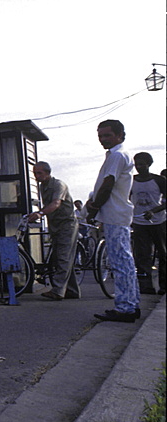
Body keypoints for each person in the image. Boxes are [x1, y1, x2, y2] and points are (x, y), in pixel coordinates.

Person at [85, 119, 140, 322]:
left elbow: (108, 185)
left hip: (115, 214)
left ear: (119, 135)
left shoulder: (117, 155)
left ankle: (125, 308)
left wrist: (94, 206)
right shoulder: (118, 155)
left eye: (107, 135)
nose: (102, 140)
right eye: (100, 136)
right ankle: (132, 304)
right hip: (118, 214)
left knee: (120, 262)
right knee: (125, 261)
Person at [28, 162, 80, 300]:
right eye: (35, 173)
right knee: (61, 258)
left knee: (63, 257)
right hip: (55, 225)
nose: (37, 176)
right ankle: (72, 290)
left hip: (67, 225)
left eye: (39, 173)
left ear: (47, 172)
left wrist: (40, 213)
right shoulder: (42, 186)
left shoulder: (58, 185)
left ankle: (57, 291)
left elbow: (56, 203)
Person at [130, 152, 166, 295]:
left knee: (163, 254)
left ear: (149, 164)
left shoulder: (160, 180)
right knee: (142, 256)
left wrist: (154, 211)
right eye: (137, 164)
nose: (139, 167)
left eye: (142, 164)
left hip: (158, 222)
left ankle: (163, 286)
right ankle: (146, 286)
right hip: (139, 223)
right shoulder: (131, 181)